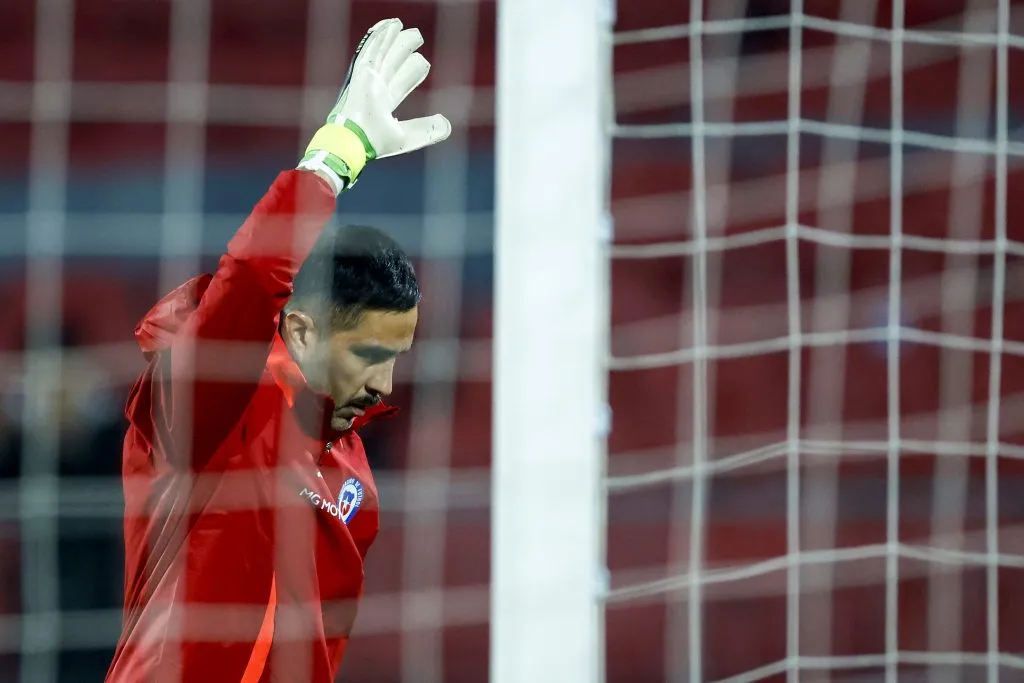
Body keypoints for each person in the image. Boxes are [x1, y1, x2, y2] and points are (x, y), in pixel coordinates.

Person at [104, 18, 450, 683]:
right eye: (368, 351)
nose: (383, 383)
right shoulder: (213, 400)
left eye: (395, 355)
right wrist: (335, 155)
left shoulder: (356, 485)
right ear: (301, 331)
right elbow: (250, 282)